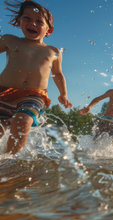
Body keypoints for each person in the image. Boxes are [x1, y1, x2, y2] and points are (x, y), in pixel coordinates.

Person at [0, 0, 72, 154]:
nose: (33, 23)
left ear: (48, 30)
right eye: (27, 18)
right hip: (3, 93)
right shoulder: (10, 40)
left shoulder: (53, 52)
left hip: (33, 95)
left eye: (39, 21)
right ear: (19, 21)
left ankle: (8, 160)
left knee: (23, 120)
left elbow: (58, 74)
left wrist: (63, 94)